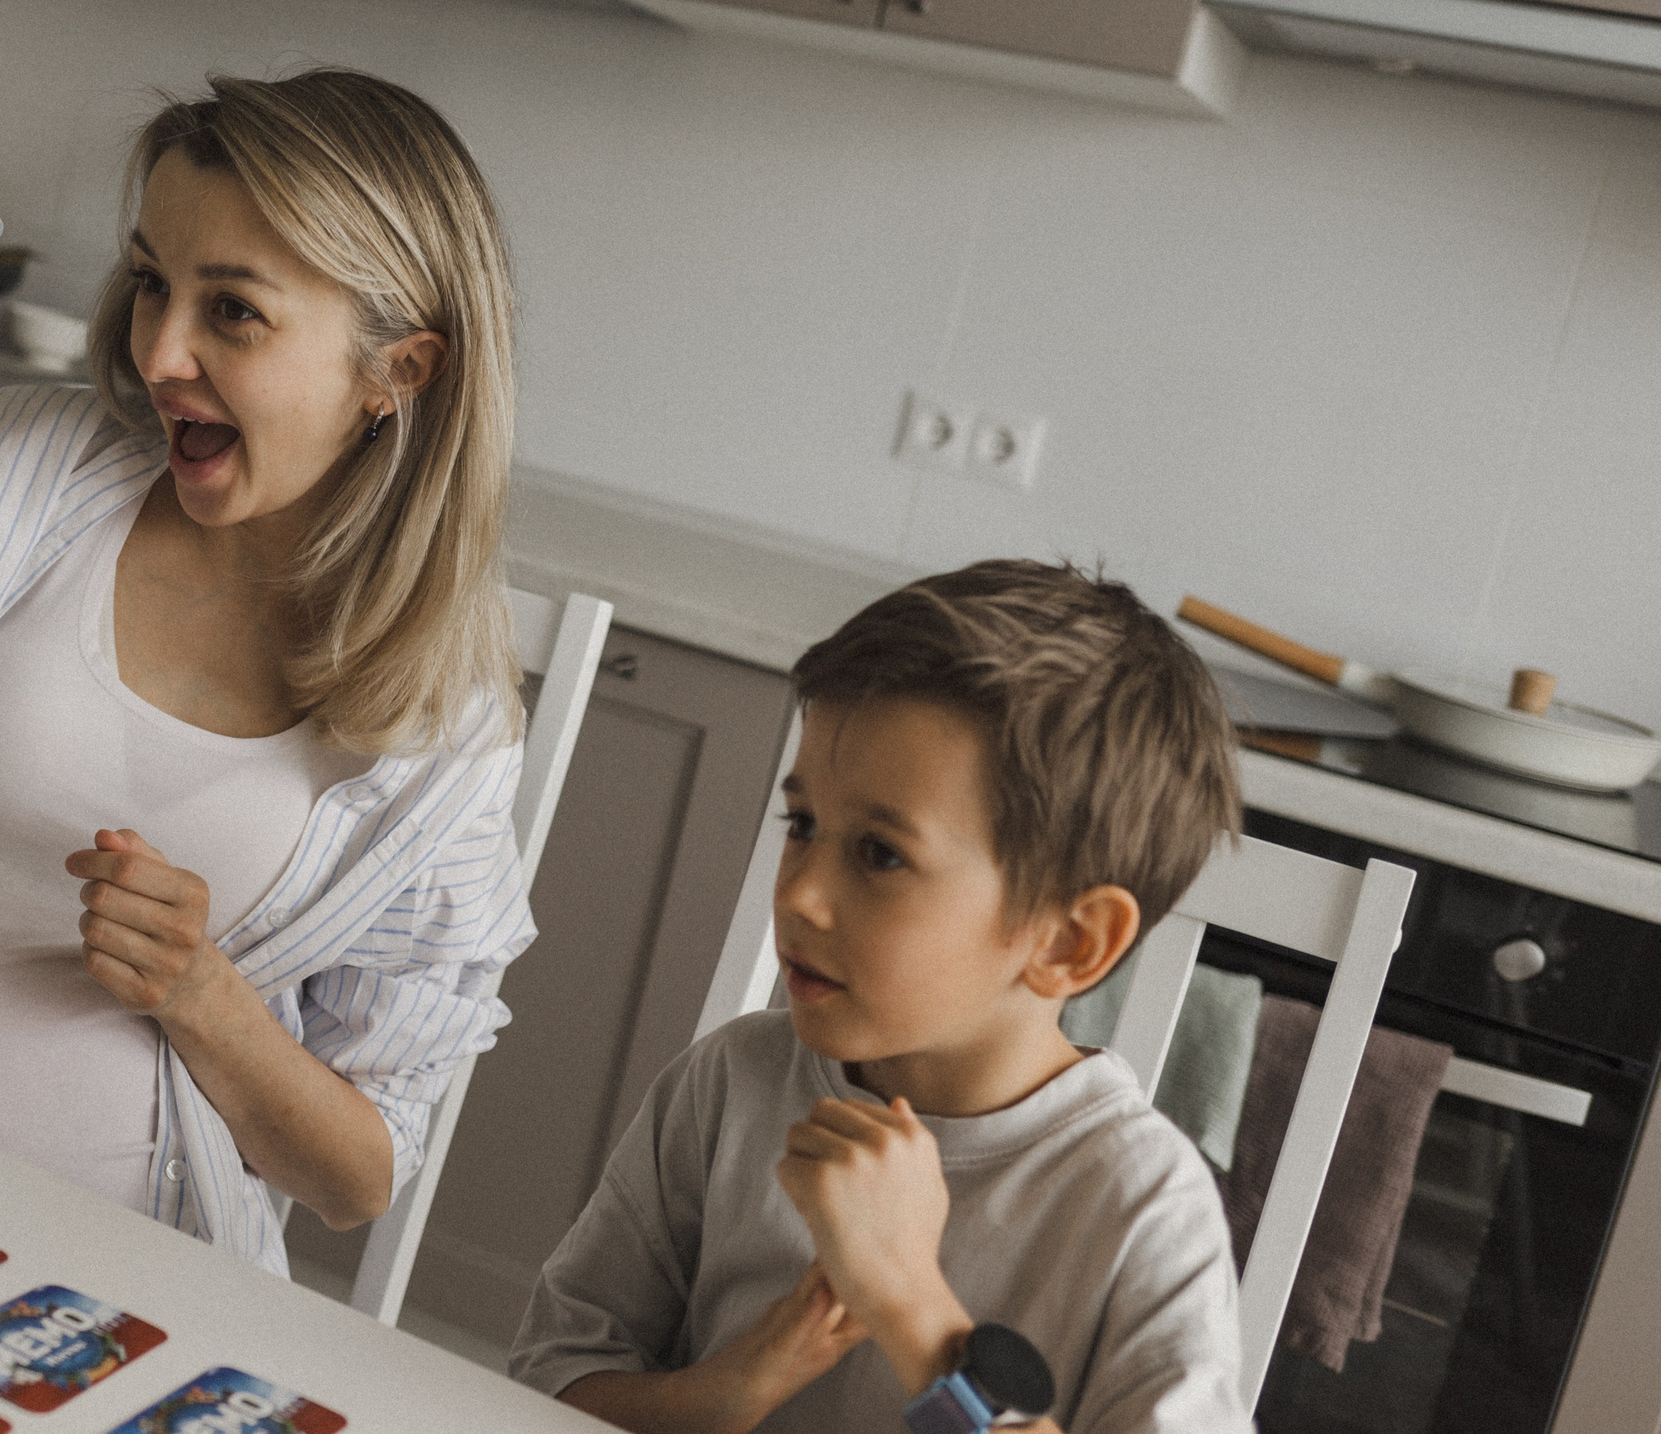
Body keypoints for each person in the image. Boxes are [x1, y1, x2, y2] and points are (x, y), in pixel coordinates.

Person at [0, 69, 531, 1274]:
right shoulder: (13, 473)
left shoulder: (449, 731)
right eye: (154, 283)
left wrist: (203, 995)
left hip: (69, 1308)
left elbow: (355, 1178)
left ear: (399, 370)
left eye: (234, 312)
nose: (160, 351)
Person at [509, 561, 1251, 1433]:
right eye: (803, 826)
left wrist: (909, 1302)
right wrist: (728, 1390)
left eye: (880, 854)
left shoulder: (1144, 1209)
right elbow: (545, 1382)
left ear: (1068, 942)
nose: (797, 895)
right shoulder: (730, 1082)